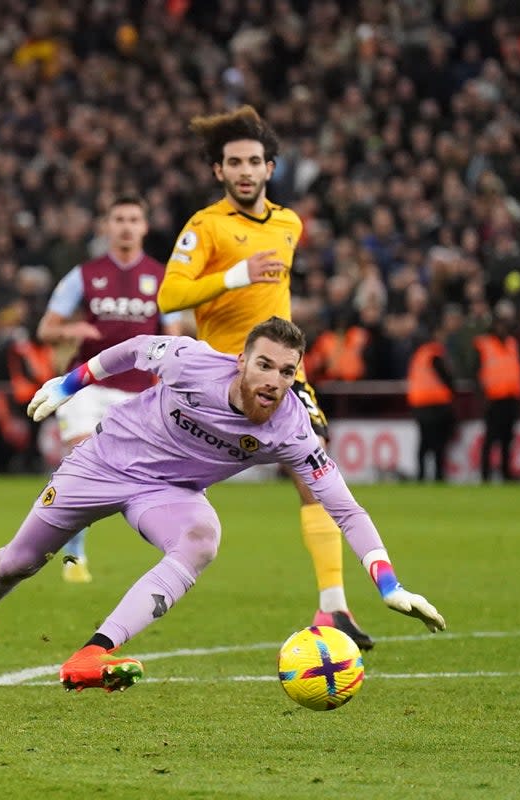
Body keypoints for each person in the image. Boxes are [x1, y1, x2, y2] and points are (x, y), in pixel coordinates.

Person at [0, 318, 445, 692]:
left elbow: (346, 508)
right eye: (264, 365)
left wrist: (388, 583)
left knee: (202, 538)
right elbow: (132, 349)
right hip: (103, 462)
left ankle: (93, 653)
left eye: (287, 372)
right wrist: (71, 382)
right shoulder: (192, 362)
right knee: (16, 562)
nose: (274, 380)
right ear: (241, 361)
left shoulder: (292, 430)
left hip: (167, 495)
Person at [156, 105, 373, 649]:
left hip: (281, 374)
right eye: (234, 163)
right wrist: (234, 274)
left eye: (255, 161)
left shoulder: (289, 223)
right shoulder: (205, 227)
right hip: (221, 374)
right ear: (218, 173)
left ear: (271, 168)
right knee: (173, 482)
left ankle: (334, 609)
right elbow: (169, 296)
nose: (246, 171)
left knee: (315, 473)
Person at [36, 195, 184, 583]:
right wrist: (73, 329)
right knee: (82, 458)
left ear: (144, 227)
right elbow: (45, 328)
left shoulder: (162, 276)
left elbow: (174, 337)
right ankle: (74, 557)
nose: (126, 226)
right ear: (107, 225)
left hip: (137, 393)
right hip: (86, 385)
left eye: (134, 219)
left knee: (135, 476)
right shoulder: (83, 276)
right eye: (119, 218)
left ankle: (174, 549)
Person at [474, 315, 520, 482]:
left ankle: (505, 472)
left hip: (511, 397)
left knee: (507, 439)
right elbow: (476, 371)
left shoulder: (512, 343)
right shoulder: (485, 345)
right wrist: (482, 396)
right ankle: (485, 474)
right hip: (493, 399)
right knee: (491, 438)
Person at [406, 321, 456, 482]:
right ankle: (438, 475)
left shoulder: (418, 355)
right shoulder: (434, 353)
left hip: (420, 404)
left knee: (424, 443)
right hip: (436, 404)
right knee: (438, 444)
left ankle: (421, 475)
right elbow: (446, 377)